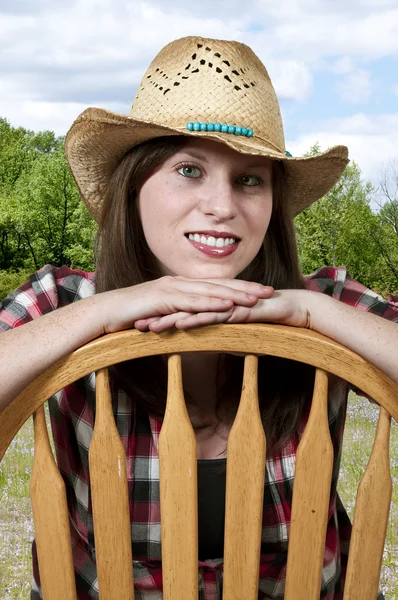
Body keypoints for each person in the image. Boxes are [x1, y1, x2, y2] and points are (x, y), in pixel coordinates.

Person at [0, 36, 397, 600]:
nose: (222, 206)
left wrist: (312, 313)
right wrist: (104, 313)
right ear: (133, 188)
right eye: (189, 169)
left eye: (250, 179)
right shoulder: (62, 301)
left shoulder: (326, 300)